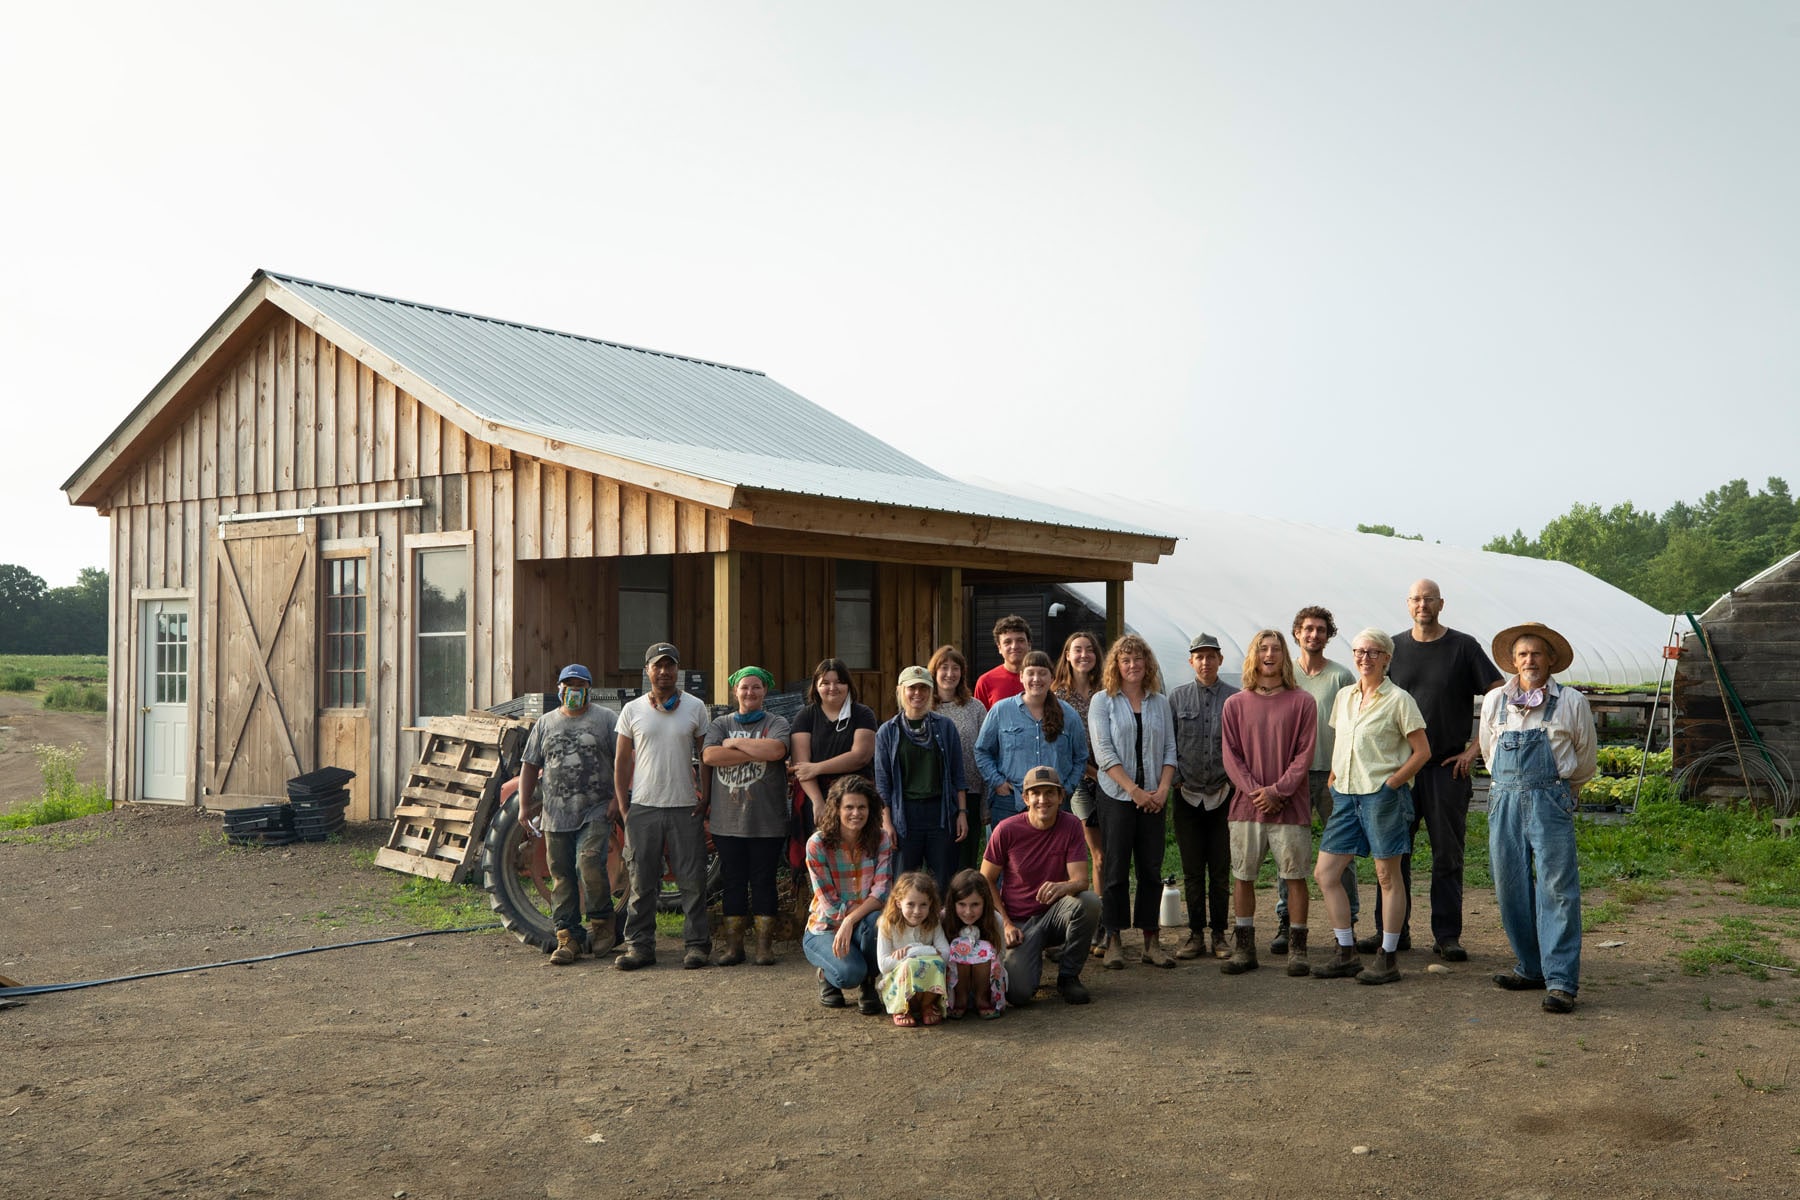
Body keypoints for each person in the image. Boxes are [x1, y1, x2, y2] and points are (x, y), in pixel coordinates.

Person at [1378, 578, 1504, 960]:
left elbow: (1501, 695)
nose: (1422, 605)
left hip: (1446, 769)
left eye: (1429, 599)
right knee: (1393, 855)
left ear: (1441, 604)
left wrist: (1474, 749)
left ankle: (1447, 934)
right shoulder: (1392, 649)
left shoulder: (1463, 647)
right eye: (1416, 599)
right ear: (1407, 603)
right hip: (1401, 770)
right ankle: (1392, 933)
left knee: (1447, 855)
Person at [1479, 622, 1597, 1015]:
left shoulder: (1571, 701)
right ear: (1513, 662)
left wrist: (1561, 790)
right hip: (1504, 799)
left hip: (1550, 797)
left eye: (1537, 654)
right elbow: (1488, 751)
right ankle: (1530, 966)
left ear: (1551, 661)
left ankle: (1561, 980)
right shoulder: (1496, 701)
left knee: (1557, 888)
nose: (1530, 660)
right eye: (1523, 654)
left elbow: (1585, 759)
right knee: (1509, 884)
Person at [1312, 629, 1431, 986]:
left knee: (1386, 876)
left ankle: (1387, 956)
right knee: (1326, 873)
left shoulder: (1399, 700)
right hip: (1345, 796)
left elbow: (1422, 752)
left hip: (1381, 796)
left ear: (1387, 658)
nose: (1365, 658)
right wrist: (1333, 776)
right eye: (1359, 651)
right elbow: (1341, 741)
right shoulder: (1345, 696)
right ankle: (1346, 952)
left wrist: (1392, 784)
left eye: (1373, 652)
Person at [1220, 630, 1318, 976]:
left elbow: (1304, 755)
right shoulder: (1235, 704)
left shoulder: (1303, 702)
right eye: (1263, 648)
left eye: (1276, 648)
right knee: (1243, 876)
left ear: (1285, 657)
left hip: (1290, 807)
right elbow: (1230, 756)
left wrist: (1278, 791)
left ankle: (1297, 947)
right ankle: (1244, 948)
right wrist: (1255, 792)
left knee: (1294, 876)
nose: (1270, 654)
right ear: (1253, 655)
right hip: (1247, 808)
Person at [614, 643, 711, 971]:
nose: (665, 672)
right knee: (642, 882)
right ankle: (639, 947)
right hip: (644, 807)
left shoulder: (696, 707)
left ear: (677, 671)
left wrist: (706, 795)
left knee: (693, 881)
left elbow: (706, 757)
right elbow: (622, 762)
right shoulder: (632, 710)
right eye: (658, 666)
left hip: (685, 806)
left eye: (671, 666)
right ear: (647, 671)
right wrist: (625, 806)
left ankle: (697, 946)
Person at [516, 663, 619, 965]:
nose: (574, 690)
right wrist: (523, 805)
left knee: (588, 862)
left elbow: (625, 758)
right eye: (568, 684)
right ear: (559, 688)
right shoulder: (545, 724)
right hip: (556, 813)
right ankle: (568, 937)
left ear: (589, 689)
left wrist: (618, 798)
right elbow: (530, 765)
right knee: (560, 875)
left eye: (580, 685)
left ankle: (602, 927)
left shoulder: (605, 719)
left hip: (596, 809)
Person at [1088, 633, 1179, 970]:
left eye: (1138, 659)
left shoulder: (1159, 701)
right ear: (1116, 664)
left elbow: (1170, 749)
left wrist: (1162, 789)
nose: (1132, 665)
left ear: (1147, 664)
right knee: (1115, 870)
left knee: (1151, 870)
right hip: (1116, 796)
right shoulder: (1103, 701)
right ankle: (1113, 940)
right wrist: (1134, 791)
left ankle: (1151, 942)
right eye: (1125, 660)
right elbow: (1104, 752)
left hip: (1155, 796)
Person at [981, 764, 1102, 1005]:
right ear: (1025, 798)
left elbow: (1081, 880)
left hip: (1054, 915)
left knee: (1089, 902)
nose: (1042, 800)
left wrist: (1064, 887)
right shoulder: (1006, 830)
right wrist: (1004, 924)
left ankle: (1068, 977)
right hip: (1018, 922)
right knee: (1018, 994)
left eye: (1049, 793)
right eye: (1035, 793)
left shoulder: (1070, 826)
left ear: (1060, 796)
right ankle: (1029, 960)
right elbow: (984, 880)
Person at [1276, 606, 1359, 956]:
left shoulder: (1341, 677)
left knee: (1342, 850)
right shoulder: (1284, 674)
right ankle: (1286, 921)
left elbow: (1350, 726)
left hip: (1331, 774)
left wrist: (1342, 771)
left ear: (1329, 635)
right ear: (1296, 633)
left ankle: (1348, 923)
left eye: (1321, 630)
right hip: (1291, 773)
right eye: (1308, 629)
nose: (1314, 635)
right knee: (1289, 849)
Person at [701, 665, 792, 966]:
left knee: (764, 880)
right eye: (744, 687)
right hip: (727, 822)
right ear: (734, 691)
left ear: (765, 691)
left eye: (756, 687)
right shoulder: (720, 722)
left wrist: (734, 743)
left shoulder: (777, 721)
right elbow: (711, 756)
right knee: (733, 881)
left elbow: (778, 750)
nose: (750, 692)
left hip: (767, 820)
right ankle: (734, 947)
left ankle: (764, 947)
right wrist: (756, 751)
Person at [1169, 633, 1237, 961]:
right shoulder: (1176, 698)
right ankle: (1195, 934)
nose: (1206, 662)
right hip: (1187, 796)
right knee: (1192, 869)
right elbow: (1169, 745)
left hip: (1224, 795)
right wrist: (1178, 782)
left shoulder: (1235, 699)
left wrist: (1236, 784)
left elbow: (1241, 747)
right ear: (1191, 661)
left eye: (1212, 656)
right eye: (1200, 656)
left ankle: (1220, 934)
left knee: (1221, 869)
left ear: (1220, 660)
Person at [803, 775, 895, 1014]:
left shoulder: (881, 839)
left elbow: (882, 893)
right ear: (836, 809)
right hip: (825, 927)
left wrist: (851, 920)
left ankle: (869, 984)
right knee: (848, 974)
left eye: (862, 807)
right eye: (849, 807)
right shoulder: (817, 844)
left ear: (871, 809)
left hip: (863, 922)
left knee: (879, 922)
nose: (856, 813)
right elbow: (830, 904)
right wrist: (846, 920)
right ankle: (827, 974)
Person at [873, 665, 969, 890]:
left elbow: (958, 774)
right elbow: (883, 783)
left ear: (931, 691)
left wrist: (962, 813)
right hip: (904, 815)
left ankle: (944, 924)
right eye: (912, 688)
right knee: (904, 883)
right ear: (901, 691)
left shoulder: (945, 727)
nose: (918, 693)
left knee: (945, 881)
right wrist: (887, 823)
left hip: (941, 813)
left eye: (924, 688)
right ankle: (904, 925)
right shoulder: (887, 731)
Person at [974, 650, 1089, 829]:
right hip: (1010, 802)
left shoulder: (1068, 715)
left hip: (1054, 804)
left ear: (1052, 678)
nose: (1036, 679)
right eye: (1031, 673)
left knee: (1053, 856)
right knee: (1008, 856)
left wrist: (1067, 788)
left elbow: (1081, 757)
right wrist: (997, 782)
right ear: (1021, 677)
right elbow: (982, 750)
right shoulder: (1001, 711)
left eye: (1042, 673)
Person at [1052, 630, 1107, 952]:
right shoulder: (1058, 696)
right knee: (1071, 856)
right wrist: (1090, 772)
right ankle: (1069, 927)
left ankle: (1100, 924)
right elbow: (1064, 746)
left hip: (1111, 779)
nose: (1084, 654)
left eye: (1089, 649)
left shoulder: (1106, 690)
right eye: (1077, 650)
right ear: (1068, 655)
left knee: (1101, 857)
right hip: (1077, 782)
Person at [791, 658, 878, 825]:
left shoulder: (862, 714)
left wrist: (817, 768)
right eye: (825, 683)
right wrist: (818, 802)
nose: (832, 688)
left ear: (848, 685)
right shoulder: (805, 716)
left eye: (839, 682)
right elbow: (802, 768)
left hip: (856, 797)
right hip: (815, 793)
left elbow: (860, 756)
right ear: (816, 686)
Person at [928, 645, 988, 872]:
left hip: (970, 793)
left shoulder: (975, 708)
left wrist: (984, 803)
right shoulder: (923, 707)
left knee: (966, 863)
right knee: (938, 864)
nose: (950, 673)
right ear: (934, 672)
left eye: (956, 668)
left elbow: (986, 753)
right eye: (944, 668)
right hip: (933, 796)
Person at [876, 871, 952, 1028]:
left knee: (935, 962)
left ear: (930, 903)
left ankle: (927, 1005)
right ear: (898, 902)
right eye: (910, 904)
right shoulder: (888, 924)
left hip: (926, 992)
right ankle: (902, 1009)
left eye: (923, 904)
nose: (917, 911)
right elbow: (883, 964)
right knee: (911, 964)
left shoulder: (933, 922)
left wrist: (912, 950)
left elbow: (945, 954)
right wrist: (924, 953)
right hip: (898, 989)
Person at [942, 869, 1007, 1019]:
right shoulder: (945, 918)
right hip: (955, 978)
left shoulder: (995, 919)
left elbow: (1001, 953)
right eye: (962, 904)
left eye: (975, 904)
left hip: (987, 977)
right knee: (960, 947)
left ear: (985, 902)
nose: (968, 911)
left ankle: (982, 998)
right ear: (953, 902)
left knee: (983, 949)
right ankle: (959, 998)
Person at [973, 614, 1032, 708]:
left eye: (1020, 640)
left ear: (1029, 645)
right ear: (999, 647)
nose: (1014, 646)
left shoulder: (1041, 679)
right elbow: (981, 721)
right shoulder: (985, 682)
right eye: (1007, 642)